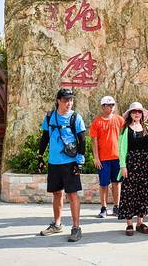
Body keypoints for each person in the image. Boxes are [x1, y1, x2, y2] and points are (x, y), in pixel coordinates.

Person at [37, 88, 86, 242]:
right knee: (57, 193)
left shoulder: (76, 117)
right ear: (58, 100)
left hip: (70, 162)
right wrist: (40, 157)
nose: (69, 103)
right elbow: (45, 137)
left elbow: (82, 141)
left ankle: (76, 227)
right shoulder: (50, 116)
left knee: (72, 194)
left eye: (71, 100)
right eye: (66, 100)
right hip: (54, 162)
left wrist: (80, 162)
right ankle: (57, 224)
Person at [117, 102, 148, 236]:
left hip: (145, 165)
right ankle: (129, 223)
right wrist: (123, 165)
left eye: (139, 111)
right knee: (129, 193)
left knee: (143, 193)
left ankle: (140, 222)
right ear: (130, 114)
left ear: (142, 114)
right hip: (130, 164)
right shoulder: (125, 129)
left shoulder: (147, 127)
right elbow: (121, 149)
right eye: (134, 111)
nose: (137, 114)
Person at [90, 95, 125, 218]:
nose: (111, 107)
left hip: (117, 158)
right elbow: (94, 141)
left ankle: (117, 207)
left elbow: (125, 137)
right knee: (104, 184)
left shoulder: (119, 120)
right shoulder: (97, 122)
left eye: (112, 105)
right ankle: (103, 208)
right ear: (103, 107)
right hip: (103, 159)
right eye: (108, 105)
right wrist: (96, 158)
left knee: (117, 183)